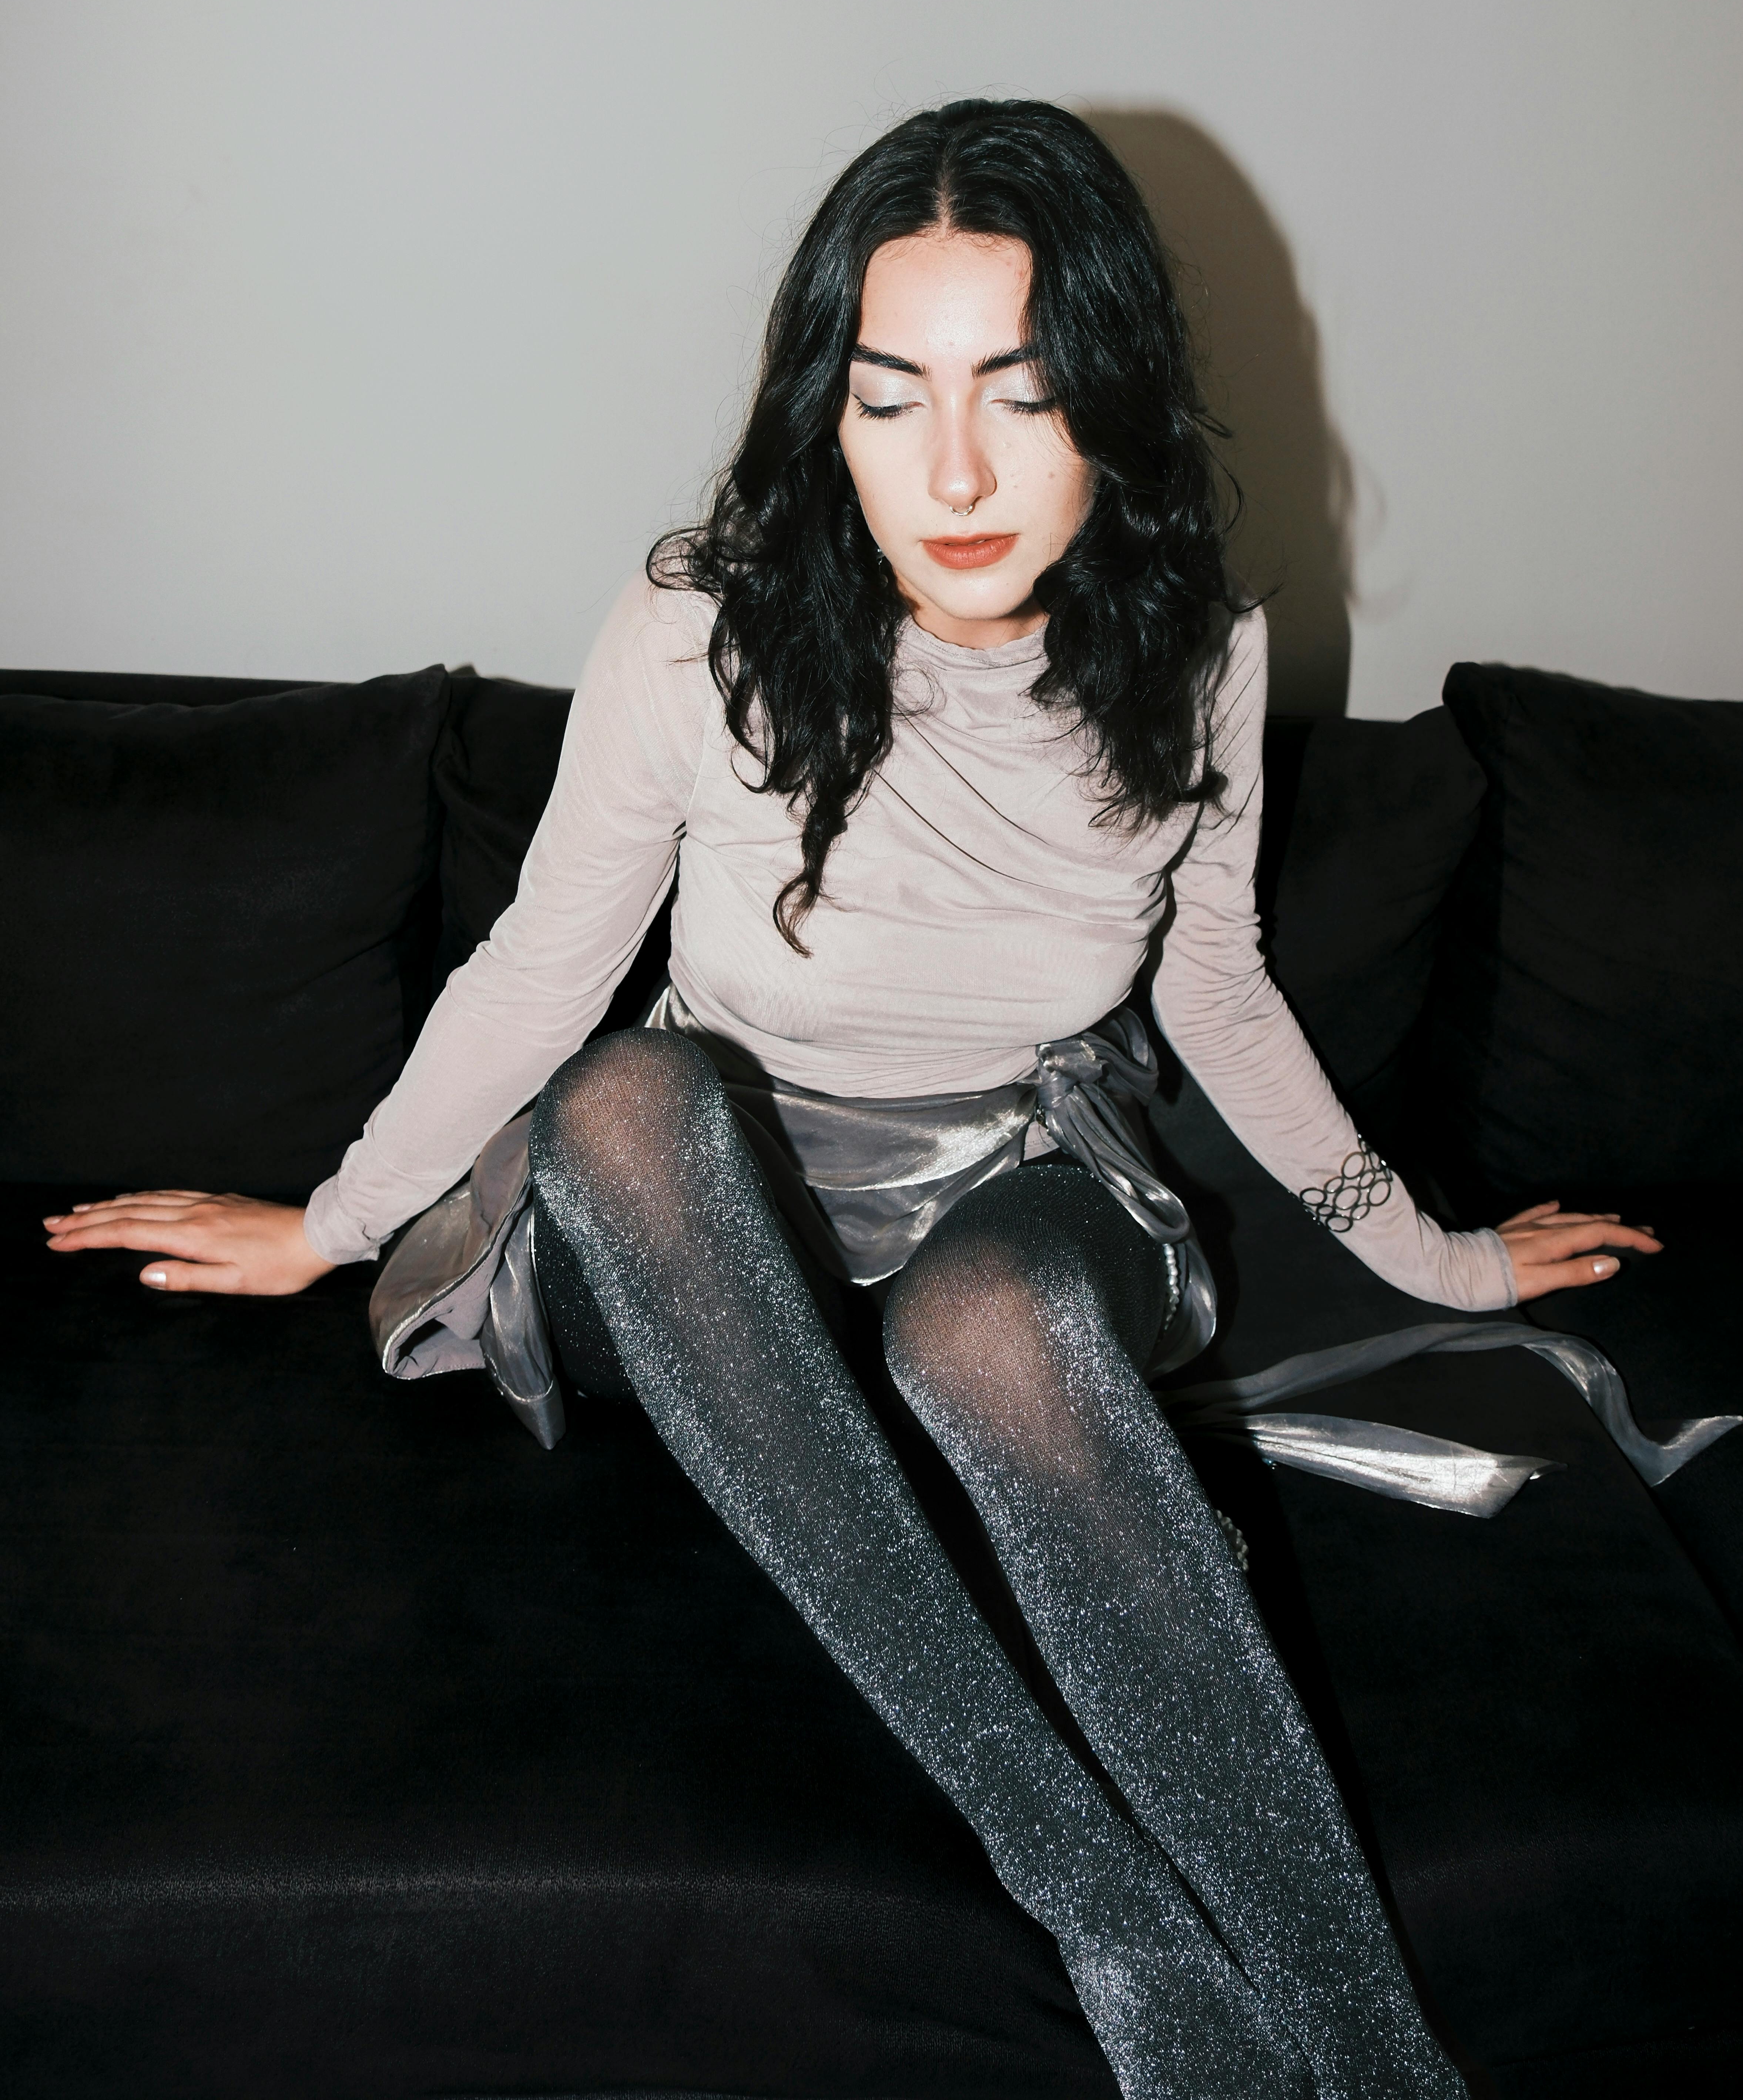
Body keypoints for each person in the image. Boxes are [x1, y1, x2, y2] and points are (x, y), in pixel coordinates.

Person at [48, 101, 1660, 2099]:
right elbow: (546, 965)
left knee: (994, 1321)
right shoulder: (693, 635)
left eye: (1023, 391)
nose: (957, 471)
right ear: (828, 411)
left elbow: (1219, 992)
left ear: (1117, 405)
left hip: (1009, 1175)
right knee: (632, 1091)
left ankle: (1367, 2067)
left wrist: (1440, 1248)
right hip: (699, 1241)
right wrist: (334, 1215)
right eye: (890, 400)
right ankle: (1111, 1910)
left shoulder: (1197, 657)